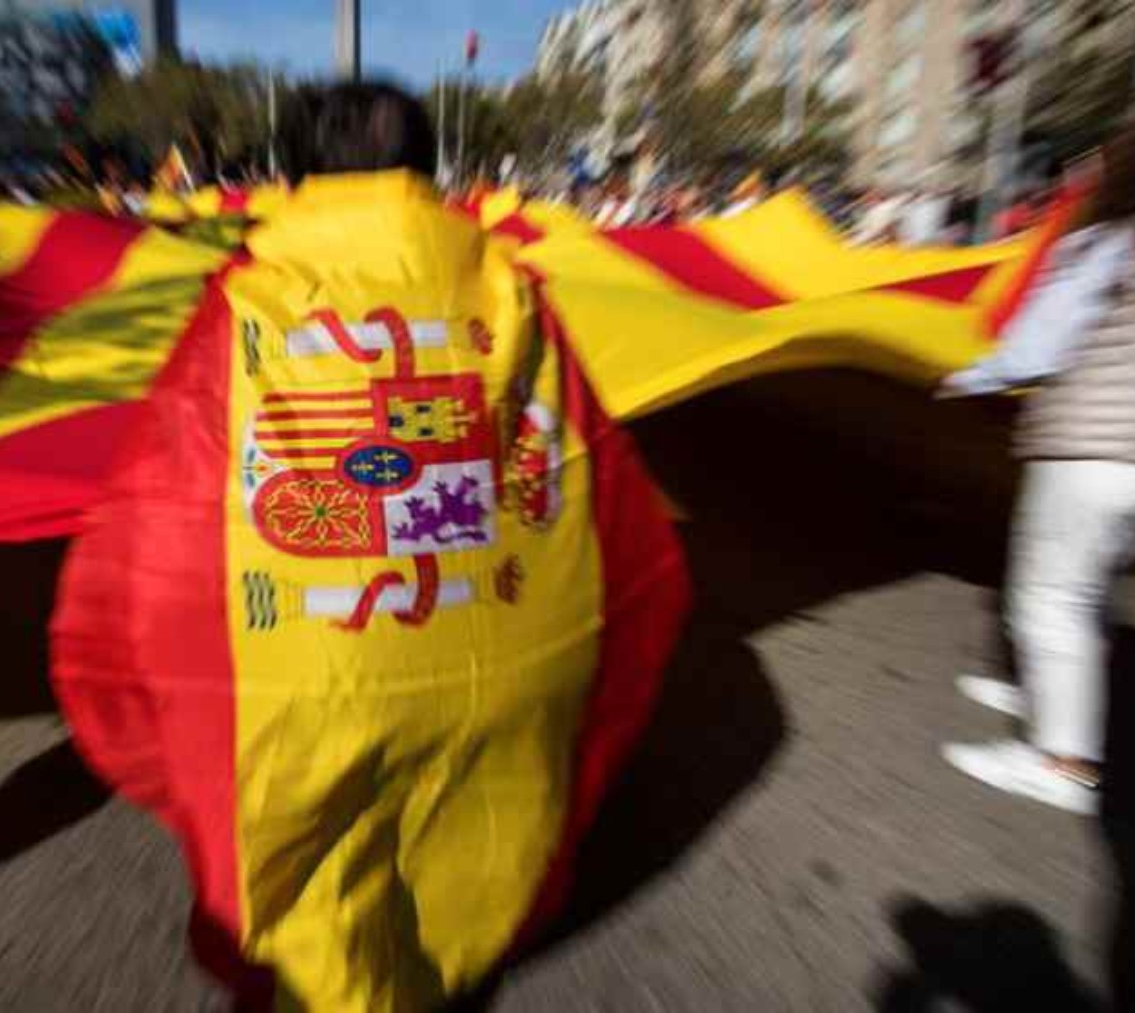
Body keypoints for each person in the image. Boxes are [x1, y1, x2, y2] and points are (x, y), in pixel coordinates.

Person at [51, 82, 687, 1010]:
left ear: (295, 173)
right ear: (426, 168)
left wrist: (144, 660)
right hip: (497, 668)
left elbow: (169, 509)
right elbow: (591, 477)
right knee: (458, 846)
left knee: (314, 886)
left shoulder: (245, 304)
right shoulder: (511, 291)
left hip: (307, 685)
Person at [936, 98, 1135, 815]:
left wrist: (970, 375)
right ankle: (1041, 689)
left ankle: (1061, 760)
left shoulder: (1119, 239)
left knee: (1051, 597)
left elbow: (1042, 343)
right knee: (1089, 588)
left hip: (1101, 449)